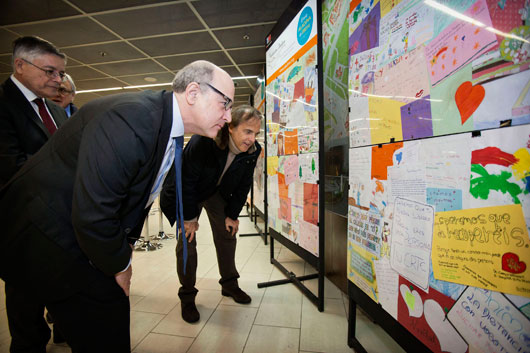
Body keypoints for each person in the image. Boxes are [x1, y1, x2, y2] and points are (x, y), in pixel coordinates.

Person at [0, 60, 234, 353]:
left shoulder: (160, 124)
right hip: (47, 235)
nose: (228, 116)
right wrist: (121, 264)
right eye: (225, 104)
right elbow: (94, 214)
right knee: (101, 330)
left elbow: (133, 196)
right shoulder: (132, 119)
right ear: (193, 92)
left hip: (72, 235)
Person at [161, 105, 262, 323]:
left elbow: (244, 184)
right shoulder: (205, 141)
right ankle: (187, 296)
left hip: (216, 191)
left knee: (228, 233)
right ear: (231, 128)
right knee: (187, 240)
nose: (252, 139)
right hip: (190, 190)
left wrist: (232, 215)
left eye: (256, 133)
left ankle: (230, 285)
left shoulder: (253, 151)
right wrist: (189, 218)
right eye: (247, 132)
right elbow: (186, 181)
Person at [0, 35, 69, 352]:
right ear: (20, 66)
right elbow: (12, 168)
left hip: (56, 225)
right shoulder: (3, 106)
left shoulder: (53, 111)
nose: (58, 79)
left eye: (61, 73)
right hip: (21, 228)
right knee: (27, 318)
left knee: (53, 291)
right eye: (50, 71)